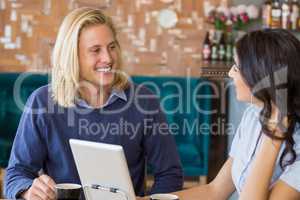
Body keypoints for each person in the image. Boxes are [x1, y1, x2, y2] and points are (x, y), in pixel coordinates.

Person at [4, 7, 183, 200]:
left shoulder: (144, 101)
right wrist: (29, 190)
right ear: (73, 56)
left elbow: (169, 174)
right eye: (95, 50)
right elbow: (16, 174)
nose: (108, 58)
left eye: (112, 47)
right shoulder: (42, 102)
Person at [177, 29, 300, 199]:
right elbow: (215, 191)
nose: (229, 73)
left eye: (236, 67)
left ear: (260, 75)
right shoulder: (252, 115)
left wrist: (274, 137)